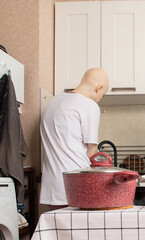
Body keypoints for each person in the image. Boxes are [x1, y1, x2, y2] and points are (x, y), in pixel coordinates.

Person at [40, 68, 109, 210]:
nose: (100, 98)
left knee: (59, 231)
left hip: (51, 188)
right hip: (76, 186)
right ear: (98, 88)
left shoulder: (53, 102)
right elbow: (91, 153)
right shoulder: (89, 105)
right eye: (103, 95)